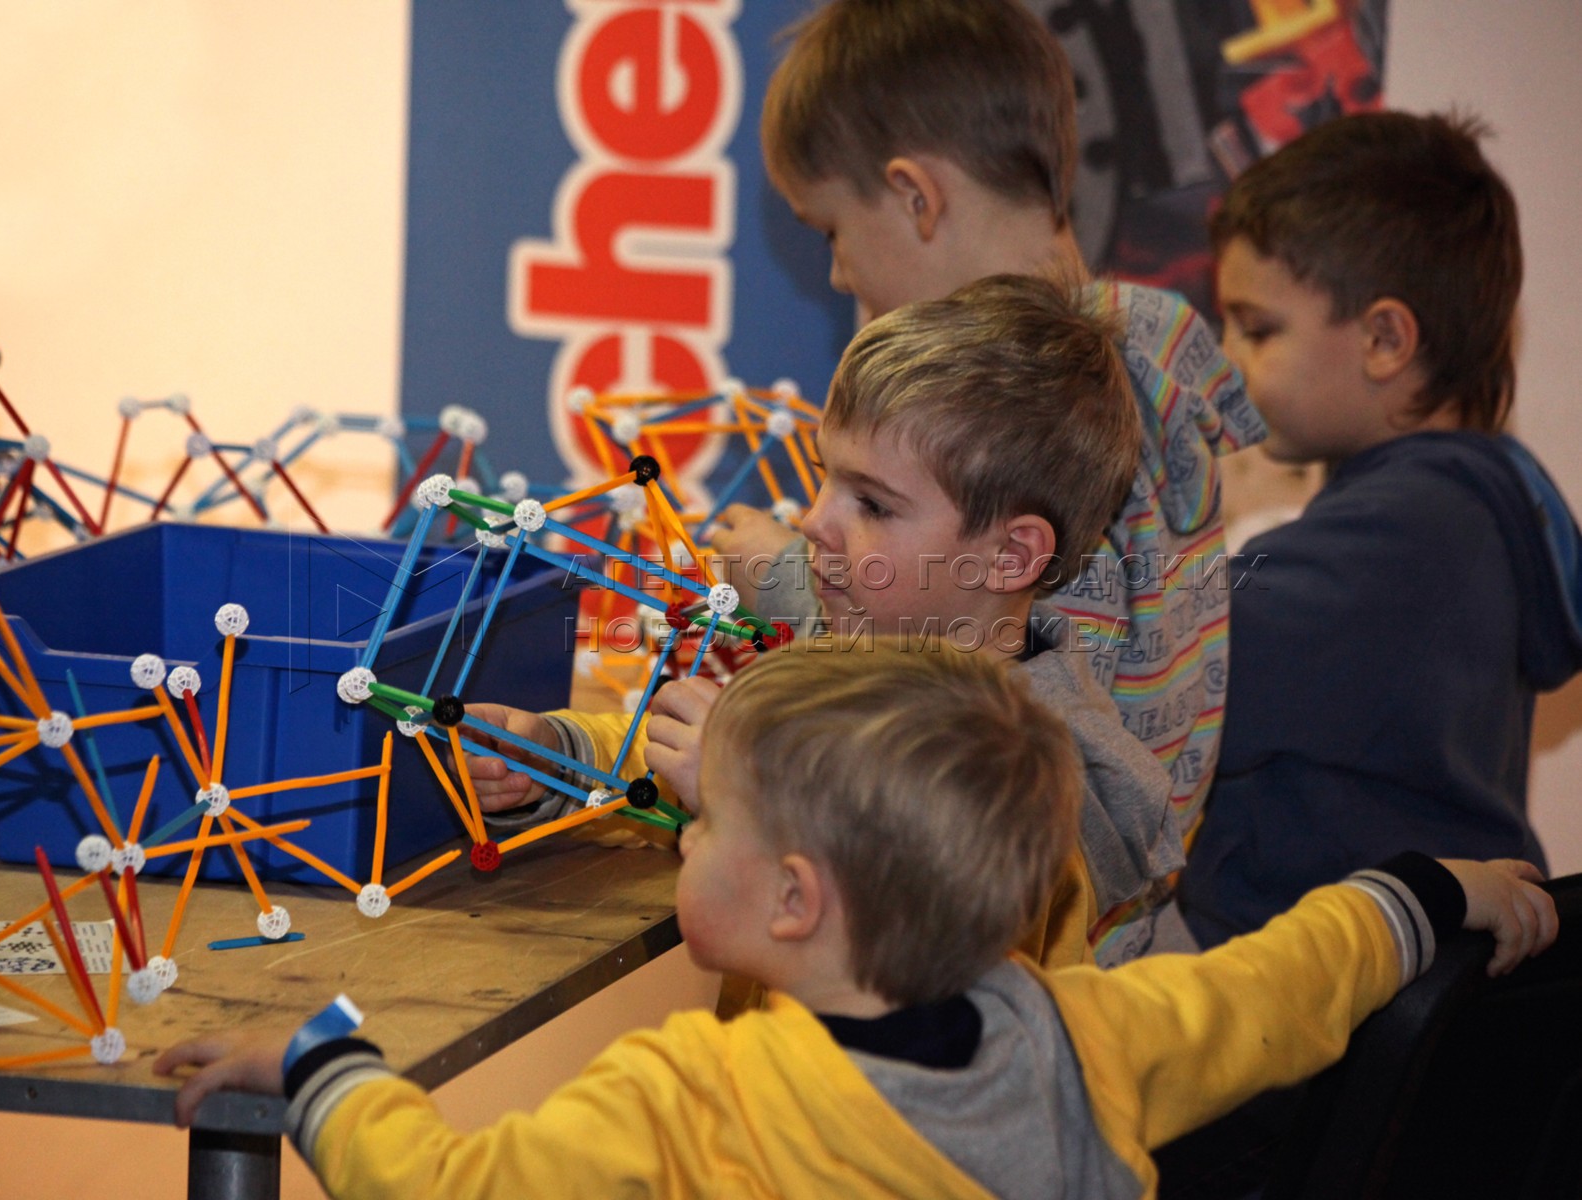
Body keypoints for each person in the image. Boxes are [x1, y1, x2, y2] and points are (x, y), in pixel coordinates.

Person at [155, 643, 1558, 1200]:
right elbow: (1280, 986)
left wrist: (323, 1064)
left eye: (709, 821)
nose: (683, 833)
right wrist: (1430, 891)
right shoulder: (1083, 1033)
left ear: (791, 899)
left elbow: (449, 1192)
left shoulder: (693, 1095)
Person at [708, 0, 1265, 960]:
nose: (836, 274)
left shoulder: (1040, 406)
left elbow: (992, 696)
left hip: (1051, 950)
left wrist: (788, 580)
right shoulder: (1144, 342)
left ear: (915, 197)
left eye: (830, 230)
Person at [470, 274, 1175, 971]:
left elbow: (927, 948)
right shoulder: (850, 656)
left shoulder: (1042, 785)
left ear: (1009, 555)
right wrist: (557, 758)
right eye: (823, 477)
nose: (812, 521)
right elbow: (680, 754)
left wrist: (750, 792)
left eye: (872, 504)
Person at [1178, 111, 1582, 949]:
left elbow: (1185, 667)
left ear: (1384, 339)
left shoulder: (1408, 529)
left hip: (1333, 997)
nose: (1225, 359)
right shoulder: (1456, 512)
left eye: (1256, 329)